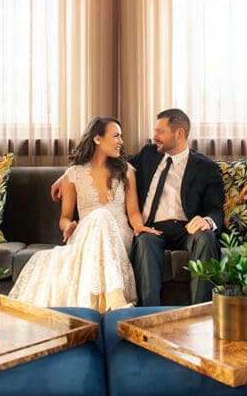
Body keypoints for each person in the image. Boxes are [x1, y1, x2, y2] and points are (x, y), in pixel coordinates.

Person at [51, 108, 224, 307]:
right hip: (152, 228)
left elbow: (216, 210)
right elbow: (105, 161)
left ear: (179, 134)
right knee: (143, 242)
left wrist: (207, 220)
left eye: (160, 131)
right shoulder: (149, 154)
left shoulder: (206, 167)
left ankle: (202, 313)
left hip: (188, 229)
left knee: (206, 237)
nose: (154, 136)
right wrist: (65, 176)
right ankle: (148, 315)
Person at [10, 116, 151, 312]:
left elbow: (133, 212)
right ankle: (114, 300)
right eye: (116, 136)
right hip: (86, 235)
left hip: (119, 235)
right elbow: (65, 217)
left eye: (121, 137)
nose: (121, 141)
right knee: (99, 217)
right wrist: (68, 226)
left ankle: (102, 304)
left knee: (103, 216)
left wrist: (139, 227)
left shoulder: (127, 171)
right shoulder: (73, 174)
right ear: (97, 139)